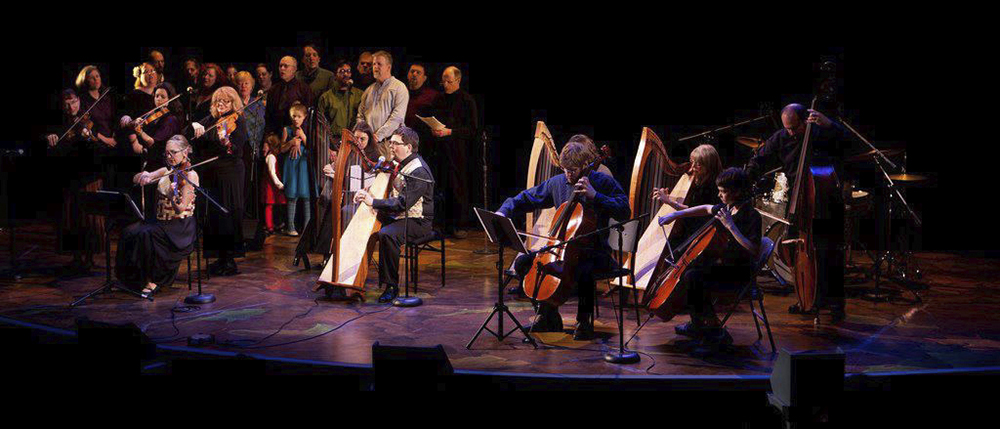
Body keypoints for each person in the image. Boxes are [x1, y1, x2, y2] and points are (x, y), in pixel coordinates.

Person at [497, 140, 630, 341]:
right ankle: (548, 315)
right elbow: (527, 198)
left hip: (596, 251)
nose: (568, 174)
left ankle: (583, 321)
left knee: (584, 268)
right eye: (565, 169)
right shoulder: (558, 182)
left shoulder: (602, 182)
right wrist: (504, 210)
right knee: (524, 263)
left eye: (573, 170)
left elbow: (624, 210)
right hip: (563, 250)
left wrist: (595, 196)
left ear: (586, 165)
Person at [744, 103, 846, 320]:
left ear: (804, 120)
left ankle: (835, 303)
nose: (790, 132)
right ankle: (806, 298)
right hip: (799, 200)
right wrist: (745, 179)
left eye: (794, 127)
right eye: (787, 128)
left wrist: (829, 124)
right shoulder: (781, 137)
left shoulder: (819, 133)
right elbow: (759, 158)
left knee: (829, 251)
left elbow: (845, 142)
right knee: (797, 249)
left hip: (825, 201)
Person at [656, 168, 762, 353]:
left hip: (739, 273)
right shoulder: (727, 208)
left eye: (723, 191)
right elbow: (705, 208)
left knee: (694, 278)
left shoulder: (751, 216)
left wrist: (731, 227)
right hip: (724, 267)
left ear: (737, 192)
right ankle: (699, 325)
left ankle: (714, 331)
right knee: (691, 273)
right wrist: (675, 213)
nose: (719, 195)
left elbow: (753, 249)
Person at [353, 126, 434, 303]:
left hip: (417, 220)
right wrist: (371, 193)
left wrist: (373, 202)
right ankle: (351, 273)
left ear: (409, 148)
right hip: (400, 215)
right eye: (391, 143)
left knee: (387, 234)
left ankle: (392, 286)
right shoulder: (399, 163)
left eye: (395, 143)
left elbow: (402, 204)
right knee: (356, 213)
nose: (391, 147)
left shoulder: (419, 171)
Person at [295, 122, 381, 275]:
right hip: (345, 194)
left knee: (333, 211)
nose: (359, 143)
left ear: (369, 140)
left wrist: (337, 177)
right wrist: (330, 167)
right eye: (357, 139)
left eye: (363, 139)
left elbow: (363, 183)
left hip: (360, 199)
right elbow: (337, 167)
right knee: (325, 207)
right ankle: (314, 251)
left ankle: (326, 254)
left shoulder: (374, 156)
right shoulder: (348, 151)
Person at [120, 135, 200, 296]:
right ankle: (133, 279)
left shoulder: (191, 175)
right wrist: (145, 176)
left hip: (180, 227)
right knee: (130, 231)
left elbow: (181, 208)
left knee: (147, 234)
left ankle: (154, 280)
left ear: (185, 153)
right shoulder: (166, 171)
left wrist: (171, 196)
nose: (169, 157)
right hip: (162, 222)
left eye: (173, 153)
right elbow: (137, 179)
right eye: (166, 153)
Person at [45, 89, 106, 272]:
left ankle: (90, 256)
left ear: (79, 101)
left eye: (73, 102)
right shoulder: (60, 124)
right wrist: (50, 138)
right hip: (70, 176)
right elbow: (52, 146)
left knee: (90, 217)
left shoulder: (90, 120)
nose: (70, 107)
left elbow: (102, 146)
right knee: (72, 216)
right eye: (66, 104)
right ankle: (76, 256)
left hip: (90, 175)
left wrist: (91, 137)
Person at [191, 86, 247, 276]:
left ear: (233, 103)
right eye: (218, 101)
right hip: (211, 174)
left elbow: (236, 149)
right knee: (214, 215)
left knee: (227, 213)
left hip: (229, 174)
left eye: (226, 101)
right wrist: (194, 126)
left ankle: (229, 260)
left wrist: (226, 142)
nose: (221, 105)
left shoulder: (237, 121)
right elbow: (191, 136)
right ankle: (219, 258)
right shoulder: (210, 121)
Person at [430, 66, 478, 238]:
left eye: (449, 81)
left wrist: (450, 132)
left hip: (459, 153)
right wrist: (434, 129)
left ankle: (460, 225)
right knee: (441, 188)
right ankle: (441, 225)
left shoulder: (466, 100)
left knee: (458, 188)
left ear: (458, 80)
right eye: (444, 81)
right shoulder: (439, 99)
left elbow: (472, 130)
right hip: (440, 151)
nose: (446, 84)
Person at [652, 144, 723, 247]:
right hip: (692, 225)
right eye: (692, 162)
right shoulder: (702, 178)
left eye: (697, 164)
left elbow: (697, 210)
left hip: (701, 230)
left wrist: (669, 201)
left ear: (708, 165)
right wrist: (670, 198)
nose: (692, 167)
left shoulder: (713, 185)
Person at [355, 50, 408, 156]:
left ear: (389, 67)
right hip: (367, 144)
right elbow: (360, 115)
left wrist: (378, 136)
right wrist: (364, 135)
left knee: (385, 172)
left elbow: (397, 118)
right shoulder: (369, 90)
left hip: (387, 145)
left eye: (379, 64)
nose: (375, 67)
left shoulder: (399, 87)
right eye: (374, 64)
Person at [235, 70, 266, 218]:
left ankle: (252, 211)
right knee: (242, 181)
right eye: (240, 83)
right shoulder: (233, 104)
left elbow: (263, 124)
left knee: (255, 180)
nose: (243, 86)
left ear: (252, 86)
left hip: (256, 146)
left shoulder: (259, 104)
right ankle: (240, 210)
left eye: (246, 83)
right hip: (240, 147)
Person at [281, 102, 312, 236]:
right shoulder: (286, 130)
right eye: (294, 116)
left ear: (304, 117)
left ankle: (306, 228)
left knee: (306, 196)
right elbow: (281, 149)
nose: (296, 119)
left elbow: (312, 147)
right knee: (292, 196)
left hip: (303, 164)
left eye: (299, 116)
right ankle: (291, 227)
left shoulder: (308, 130)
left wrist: (303, 137)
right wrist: (291, 142)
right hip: (292, 164)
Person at [315, 60, 364, 142]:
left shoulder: (359, 94)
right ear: (335, 75)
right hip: (333, 141)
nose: (345, 74)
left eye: (348, 71)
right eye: (342, 71)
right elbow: (320, 126)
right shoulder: (326, 97)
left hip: (354, 141)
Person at [264, 56, 312, 136]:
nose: (282, 69)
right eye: (280, 66)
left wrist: (300, 137)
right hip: (276, 135)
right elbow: (268, 116)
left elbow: (308, 116)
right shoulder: (273, 90)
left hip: (294, 134)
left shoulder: (304, 89)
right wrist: (267, 137)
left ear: (294, 69)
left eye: (285, 66)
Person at [74, 66, 116, 150]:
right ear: (85, 81)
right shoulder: (82, 101)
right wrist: (106, 140)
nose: (96, 79)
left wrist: (114, 136)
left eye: (97, 76)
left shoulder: (107, 98)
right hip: (95, 144)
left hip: (113, 140)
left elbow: (114, 119)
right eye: (91, 78)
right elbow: (86, 126)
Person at [261, 135, 286, 235]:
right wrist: (280, 185)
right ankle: (269, 226)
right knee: (269, 205)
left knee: (275, 205)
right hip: (270, 186)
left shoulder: (272, 156)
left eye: (266, 145)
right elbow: (272, 173)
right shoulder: (271, 157)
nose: (264, 147)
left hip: (272, 186)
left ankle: (275, 224)